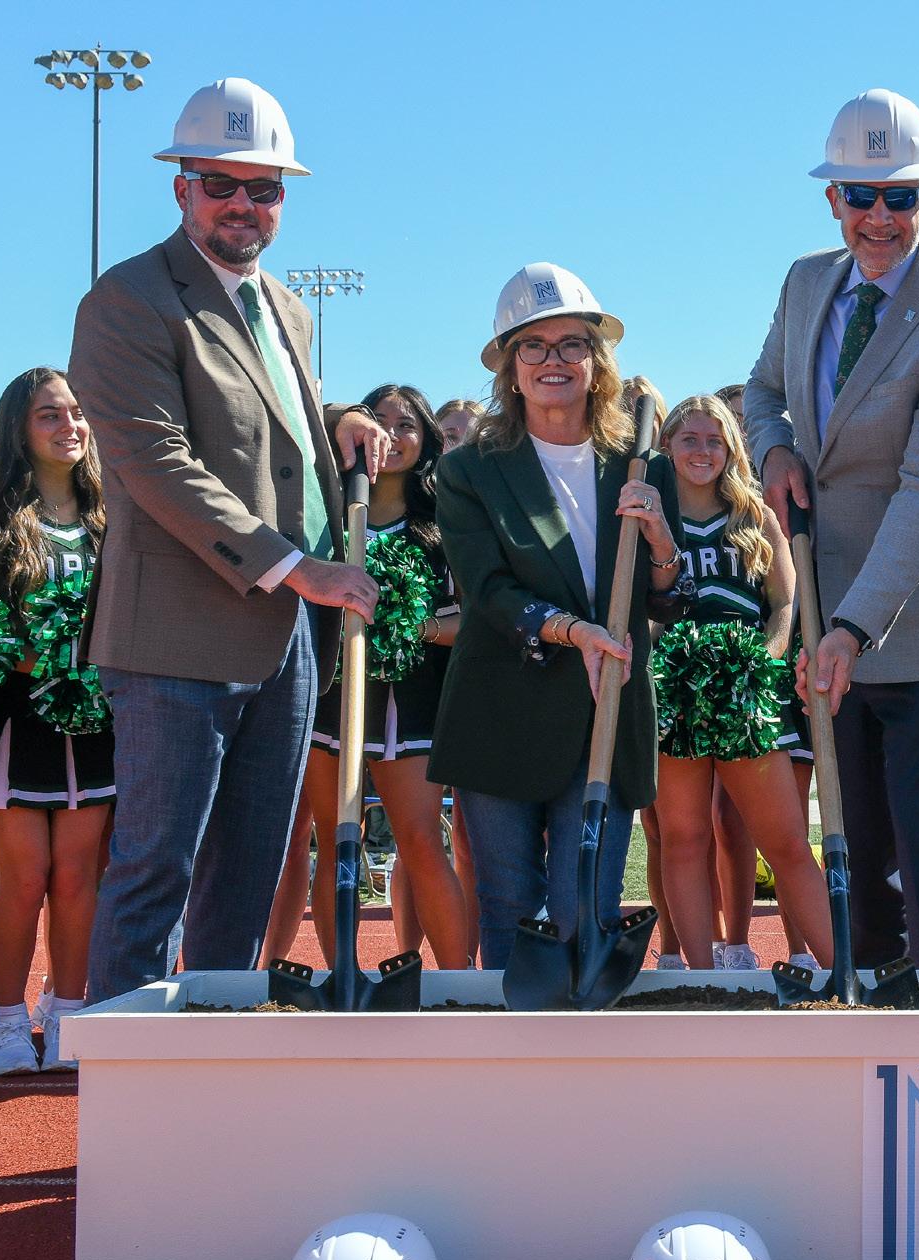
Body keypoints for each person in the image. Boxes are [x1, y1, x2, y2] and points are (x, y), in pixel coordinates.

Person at [67, 78, 388, 1001]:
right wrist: (297, 567)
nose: (243, 203)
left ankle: (213, 1057)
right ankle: (127, 1070)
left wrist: (337, 416)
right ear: (181, 188)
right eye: (221, 183)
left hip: (285, 635)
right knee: (155, 871)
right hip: (175, 636)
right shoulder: (126, 299)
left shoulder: (285, 306)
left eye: (265, 187)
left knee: (248, 872)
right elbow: (155, 460)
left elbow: (268, 417)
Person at [743, 88, 919, 971]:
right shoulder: (804, 281)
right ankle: (871, 1018)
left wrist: (854, 626)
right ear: (833, 198)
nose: (879, 217)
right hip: (832, 615)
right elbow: (762, 391)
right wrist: (774, 449)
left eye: (900, 197)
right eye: (861, 195)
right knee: (855, 854)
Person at [431, 263, 682, 966]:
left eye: (573, 344)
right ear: (510, 369)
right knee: (509, 906)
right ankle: (517, 1039)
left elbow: (663, 597)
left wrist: (663, 541)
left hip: (605, 710)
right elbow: (487, 590)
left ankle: (580, 1033)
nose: (554, 360)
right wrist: (575, 632)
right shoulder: (469, 470)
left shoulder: (642, 467)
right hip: (501, 708)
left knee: (584, 910)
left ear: (596, 363)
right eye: (533, 346)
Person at [0, 367, 115, 1074]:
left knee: (77, 876)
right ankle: (9, 1020)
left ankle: (67, 1009)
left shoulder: (112, 512)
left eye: (78, 412)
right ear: (19, 427)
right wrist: (24, 651)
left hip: (94, 720)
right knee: (25, 876)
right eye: (50, 414)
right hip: (14, 719)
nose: (70, 425)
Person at [280, 384, 474, 971]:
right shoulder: (325, 522)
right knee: (339, 837)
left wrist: (413, 625)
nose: (391, 434)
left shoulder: (444, 523)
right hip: (331, 700)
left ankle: (458, 984)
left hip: (412, 702)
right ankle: (343, 979)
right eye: (379, 421)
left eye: (406, 424)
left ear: (426, 440)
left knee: (421, 839)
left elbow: (476, 620)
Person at [648, 394, 835, 971]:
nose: (703, 451)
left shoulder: (754, 515)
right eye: (690, 439)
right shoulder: (650, 515)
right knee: (683, 839)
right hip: (676, 692)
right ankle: (702, 980)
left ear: (732, 449)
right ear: (667, 445)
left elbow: (784, 604)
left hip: (745, 692)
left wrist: (763, 661)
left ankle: (840, 970)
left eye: (715, 441)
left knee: (785, 842)